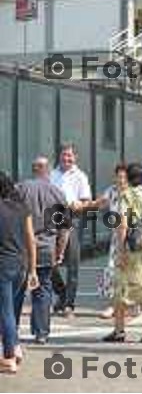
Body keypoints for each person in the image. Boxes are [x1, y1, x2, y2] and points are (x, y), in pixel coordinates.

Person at [103, 163, 142, 343]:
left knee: (122, 287)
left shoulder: (127, 196)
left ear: (129, 179)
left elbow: (122, 224)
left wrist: (121, 250)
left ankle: (119, 330)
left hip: (131, 248)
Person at [14, 157, 69, 345]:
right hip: (47, 247)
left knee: (17, 289)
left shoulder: (19, 189)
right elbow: (64, 229)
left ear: (33, 169)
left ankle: (11, 329)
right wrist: (60, 252)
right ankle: (41, 333)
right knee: (43, 289)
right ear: (48, 171)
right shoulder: (58, 193)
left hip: (21, 247)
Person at [0, 172, 38, 374]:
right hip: (21, 265)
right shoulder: (22, 209)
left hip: (2, 266)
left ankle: (8, 358)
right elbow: (31, 240)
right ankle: (15, 347)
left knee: (5, 312)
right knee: (11, 311)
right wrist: (33, 270)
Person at [50, 142, 92, 316]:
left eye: (69, 155)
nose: (66, 158)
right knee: (48, 259)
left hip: (73, 217)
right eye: (63, 155)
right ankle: (61, 292)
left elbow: (87, 201)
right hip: (52, 216)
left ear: (75, 157)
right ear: (59, 156)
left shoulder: (80, 176)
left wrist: (79, 204)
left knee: (72, 262)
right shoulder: (51, 174)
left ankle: (69, 303)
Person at [94, 164, 129, 320]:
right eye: (118, 176)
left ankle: (131, 304)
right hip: (116, 236)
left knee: (131, 270)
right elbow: (99, 203)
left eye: (124, 177)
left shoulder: (133, 192)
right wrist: (83, 205)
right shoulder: (112, 191)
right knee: (112, 268)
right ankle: (113, 304)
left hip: (132, 236)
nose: (121, 180)